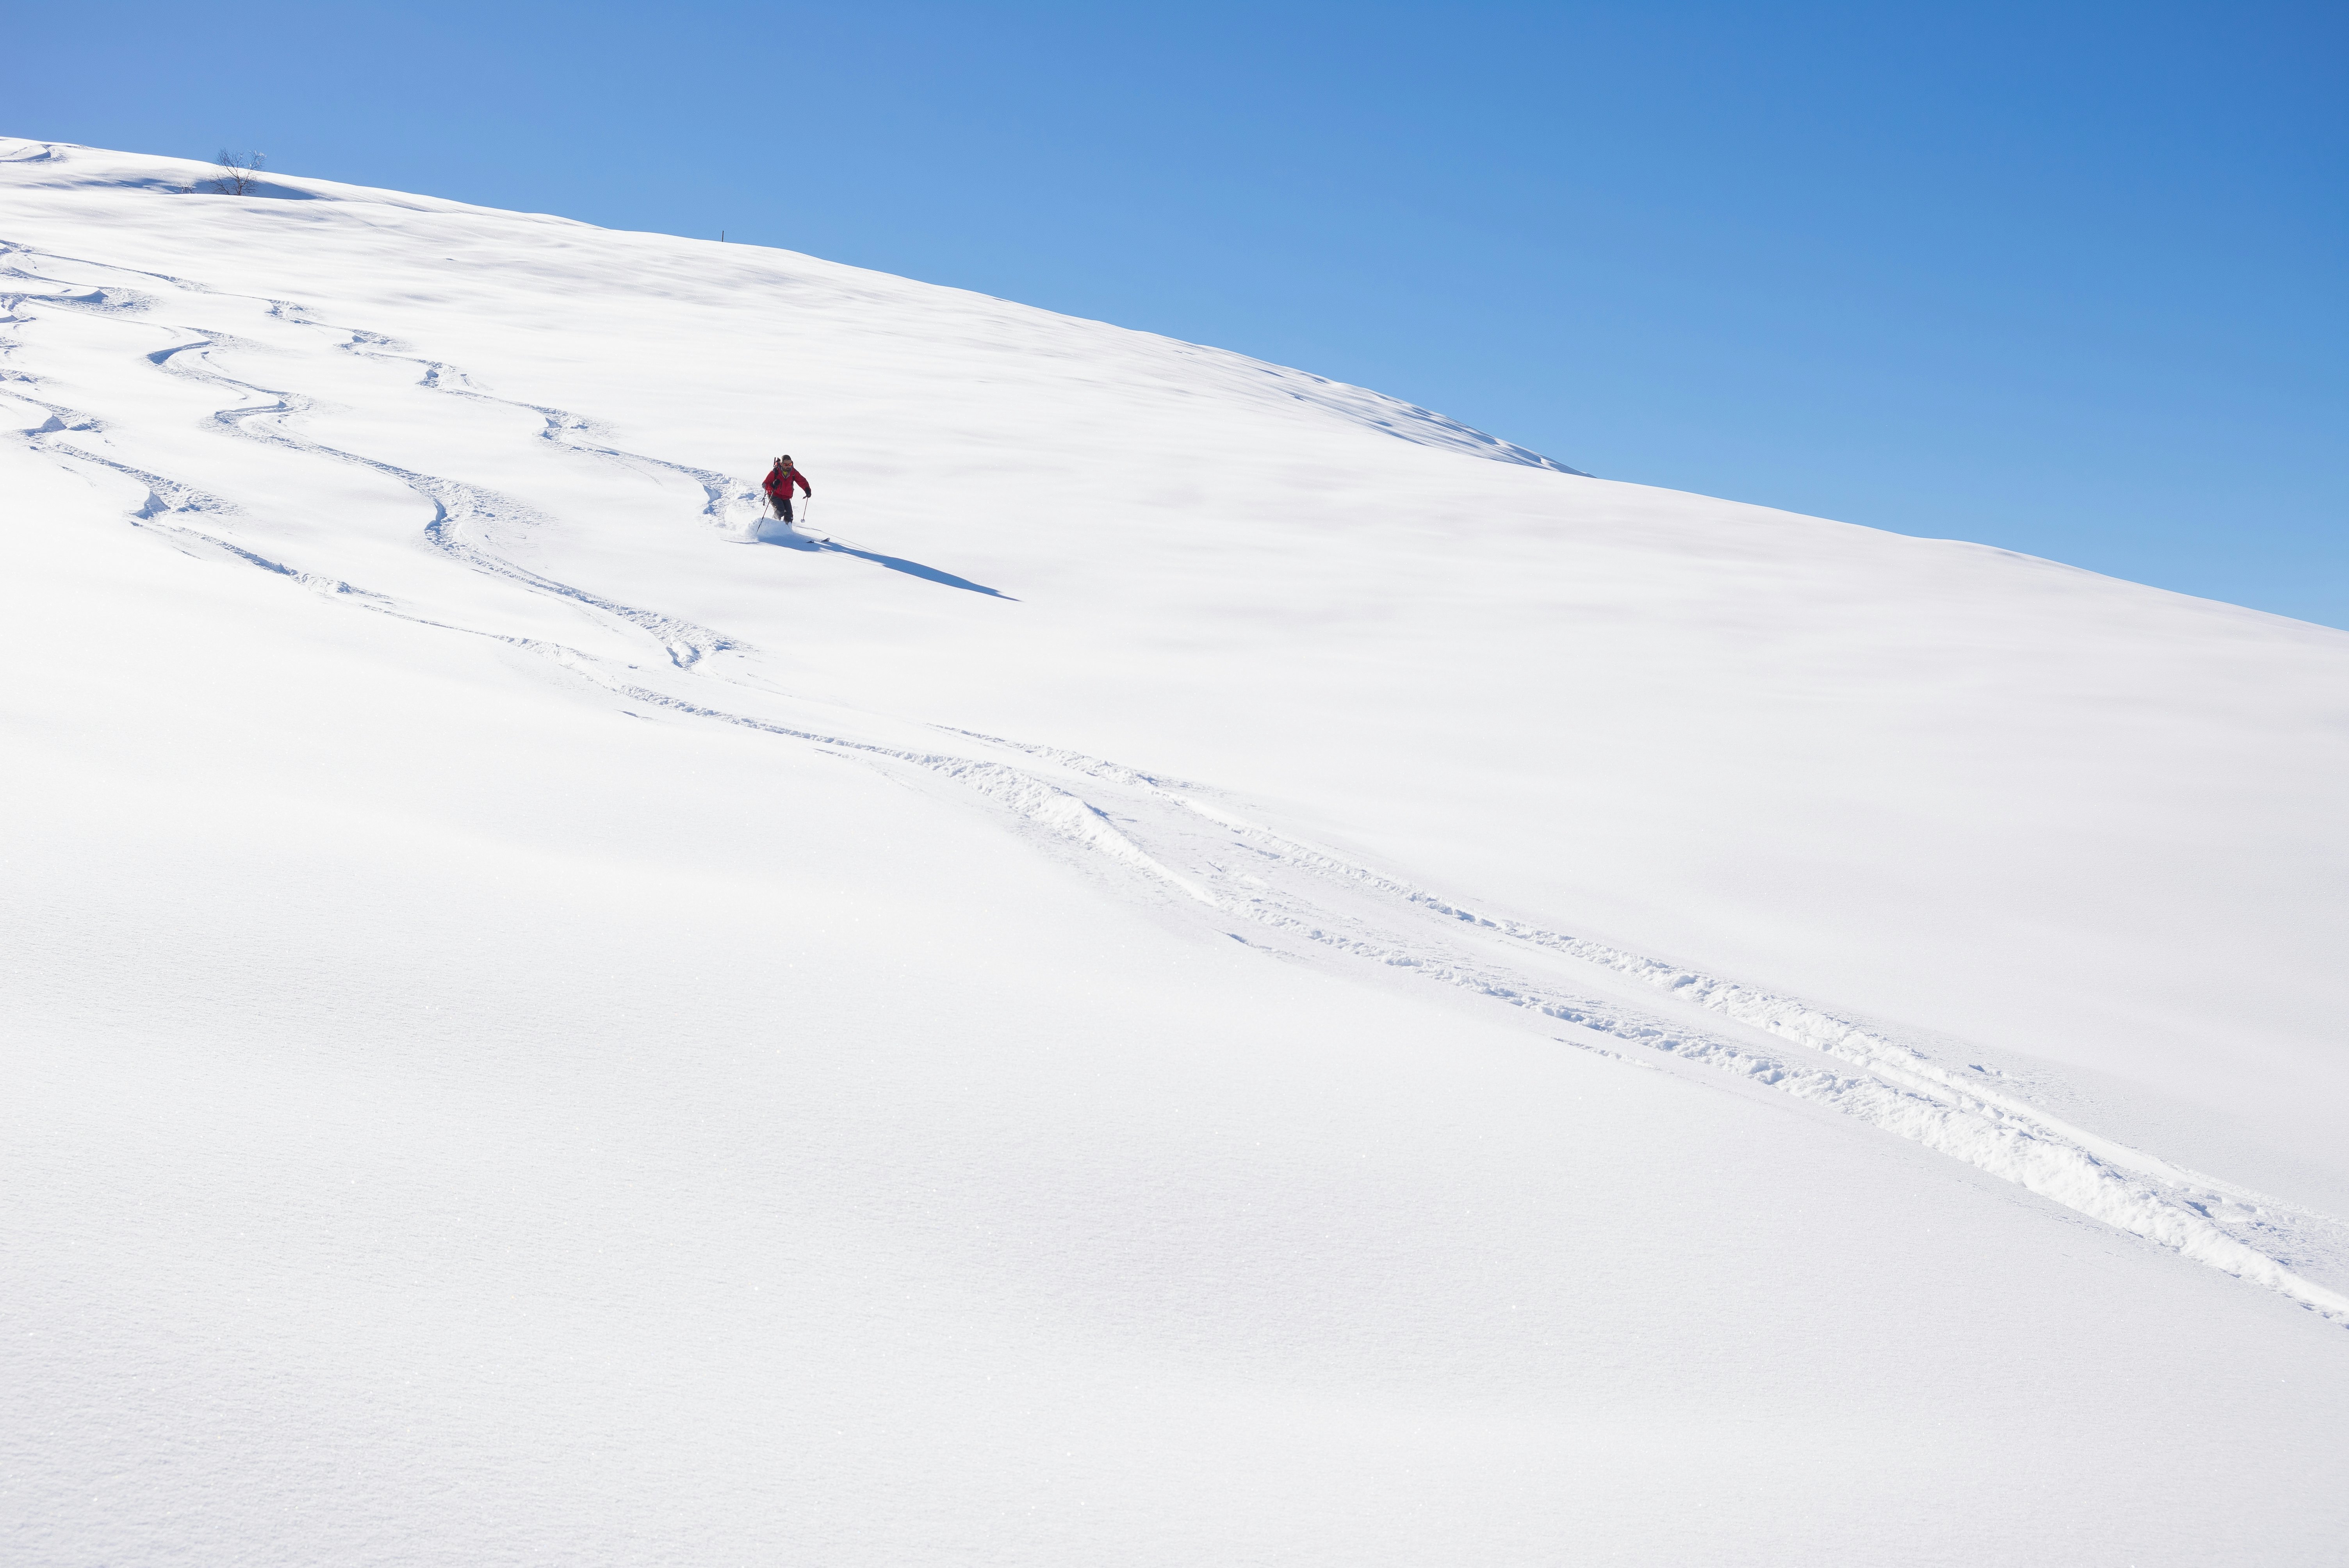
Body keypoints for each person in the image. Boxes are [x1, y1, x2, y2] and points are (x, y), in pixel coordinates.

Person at [763, 455, 811, 524]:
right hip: (774, 494)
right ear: (782, 464)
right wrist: (773, 485)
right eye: (786, 465)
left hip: (785, 497)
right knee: (780, 510)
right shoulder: (775, 471)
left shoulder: (793, 472)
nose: (789, 466)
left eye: (790, 464)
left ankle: (786, 530)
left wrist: (807, 489)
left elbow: (802, 481)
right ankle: (772, 525)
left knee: (789, 515)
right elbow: (764, 484)